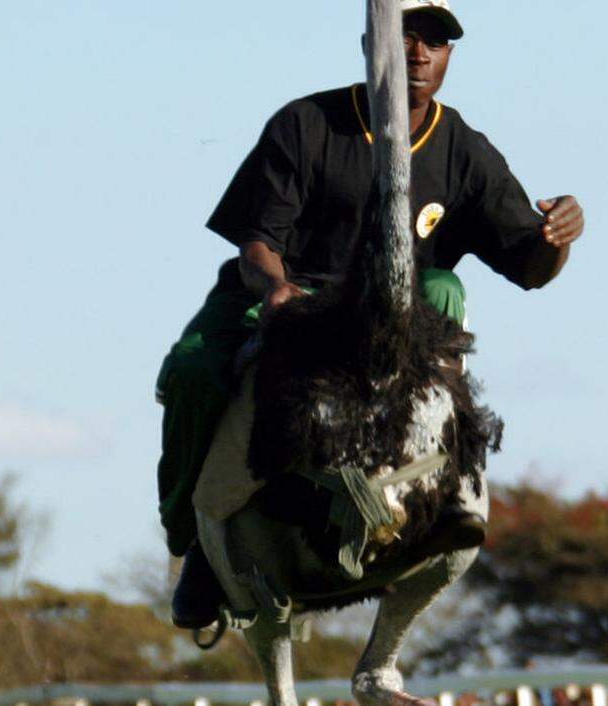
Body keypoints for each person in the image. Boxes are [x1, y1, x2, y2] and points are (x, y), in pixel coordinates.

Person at [158, 0, 585, 628]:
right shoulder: (306, 124)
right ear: (369, 43)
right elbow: (257, 244)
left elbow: (529, 267)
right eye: (405, 35)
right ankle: (194, 545)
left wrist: (559, 238)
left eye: (435, 41)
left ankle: (450, 493)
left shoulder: (462, 149)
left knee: (442, 289)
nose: (418, 52)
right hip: (283, 298)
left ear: (449, 56)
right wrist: (275, 289)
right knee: (195, 371)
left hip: (387, 316)